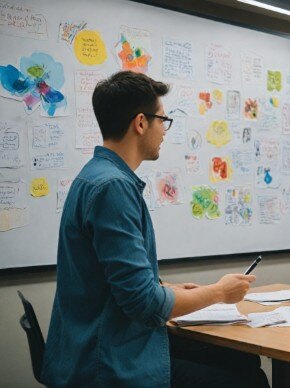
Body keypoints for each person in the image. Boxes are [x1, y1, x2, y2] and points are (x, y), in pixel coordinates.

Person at [41, 71, 268, 387]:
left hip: (97, 346)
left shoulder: (95, 176)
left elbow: (117, 281)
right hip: (107, 363)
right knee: (245, 380)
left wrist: (171, 291)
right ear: (140, 123)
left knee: (242, 360)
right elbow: (144, 303)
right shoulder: (112, 188)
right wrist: (219, 292)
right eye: (163, 120)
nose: (164, 130)